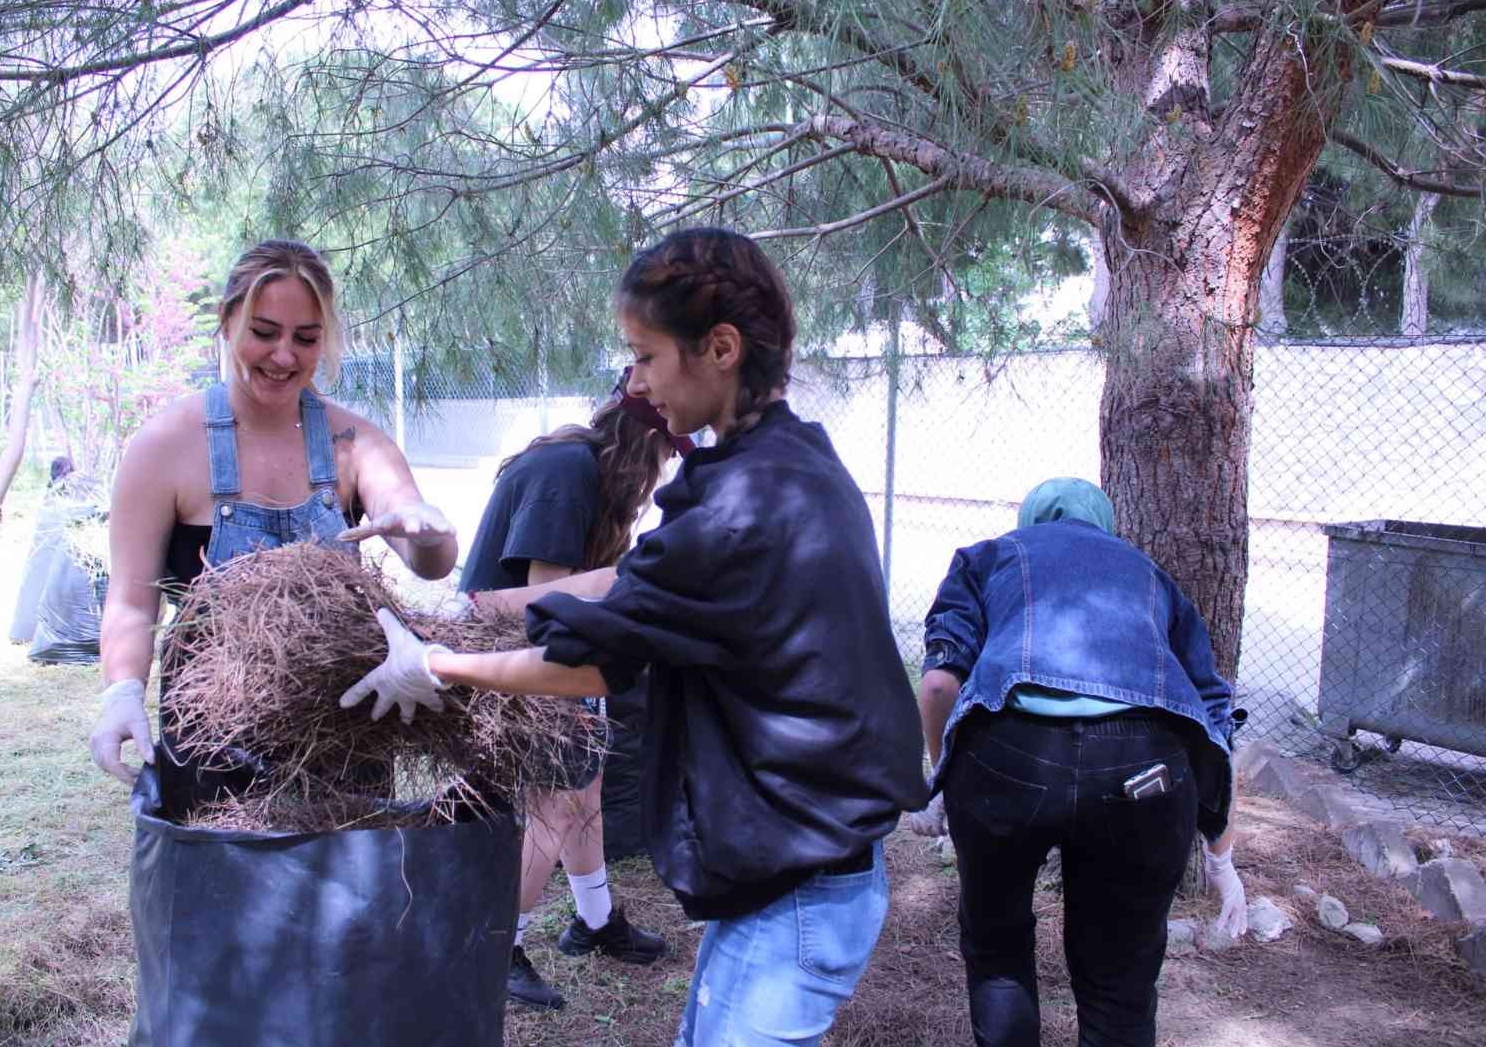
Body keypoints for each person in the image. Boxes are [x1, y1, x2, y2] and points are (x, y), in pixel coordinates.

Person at [341, 227, 926, 1046]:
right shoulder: (793, 462)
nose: (638, 383)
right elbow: (639, 581)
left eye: (646, 356)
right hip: (799, 873)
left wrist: (439, 662)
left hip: (798, 886)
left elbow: (586, 666)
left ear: (718, 348)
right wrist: (496, 608)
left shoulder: (736, 507)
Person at [87, 239, 460, 805]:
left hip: (343, 738)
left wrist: (431, 535)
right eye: (264, 332)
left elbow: (428, 562)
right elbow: (131, 602)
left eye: (306, 338)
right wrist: (121, 691)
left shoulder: (355, 443)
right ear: (226, 320)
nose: (284, 356)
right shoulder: (162, 448)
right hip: (212, 742)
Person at [909, 477, 1245, 1047]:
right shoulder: (1152, 576)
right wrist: (1221, 855)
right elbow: (1214, 717)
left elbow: (940, 685)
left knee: (998, 951)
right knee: (1121, 981)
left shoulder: (987, 558)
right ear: (1105, 527)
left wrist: (940, 781)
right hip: (1146, 774)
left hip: (1005, 760)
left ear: (1030, 521)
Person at [460, 383, 684, 1011]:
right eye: (665, 453)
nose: (659, 473)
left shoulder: (587, 474)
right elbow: (543, 595)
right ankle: (499, 949)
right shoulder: (568, 469)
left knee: (585, 789)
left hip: (552, 647)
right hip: (521, 651)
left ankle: (594, 919)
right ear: (645, 441)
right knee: (554, 804)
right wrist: (633, 580)